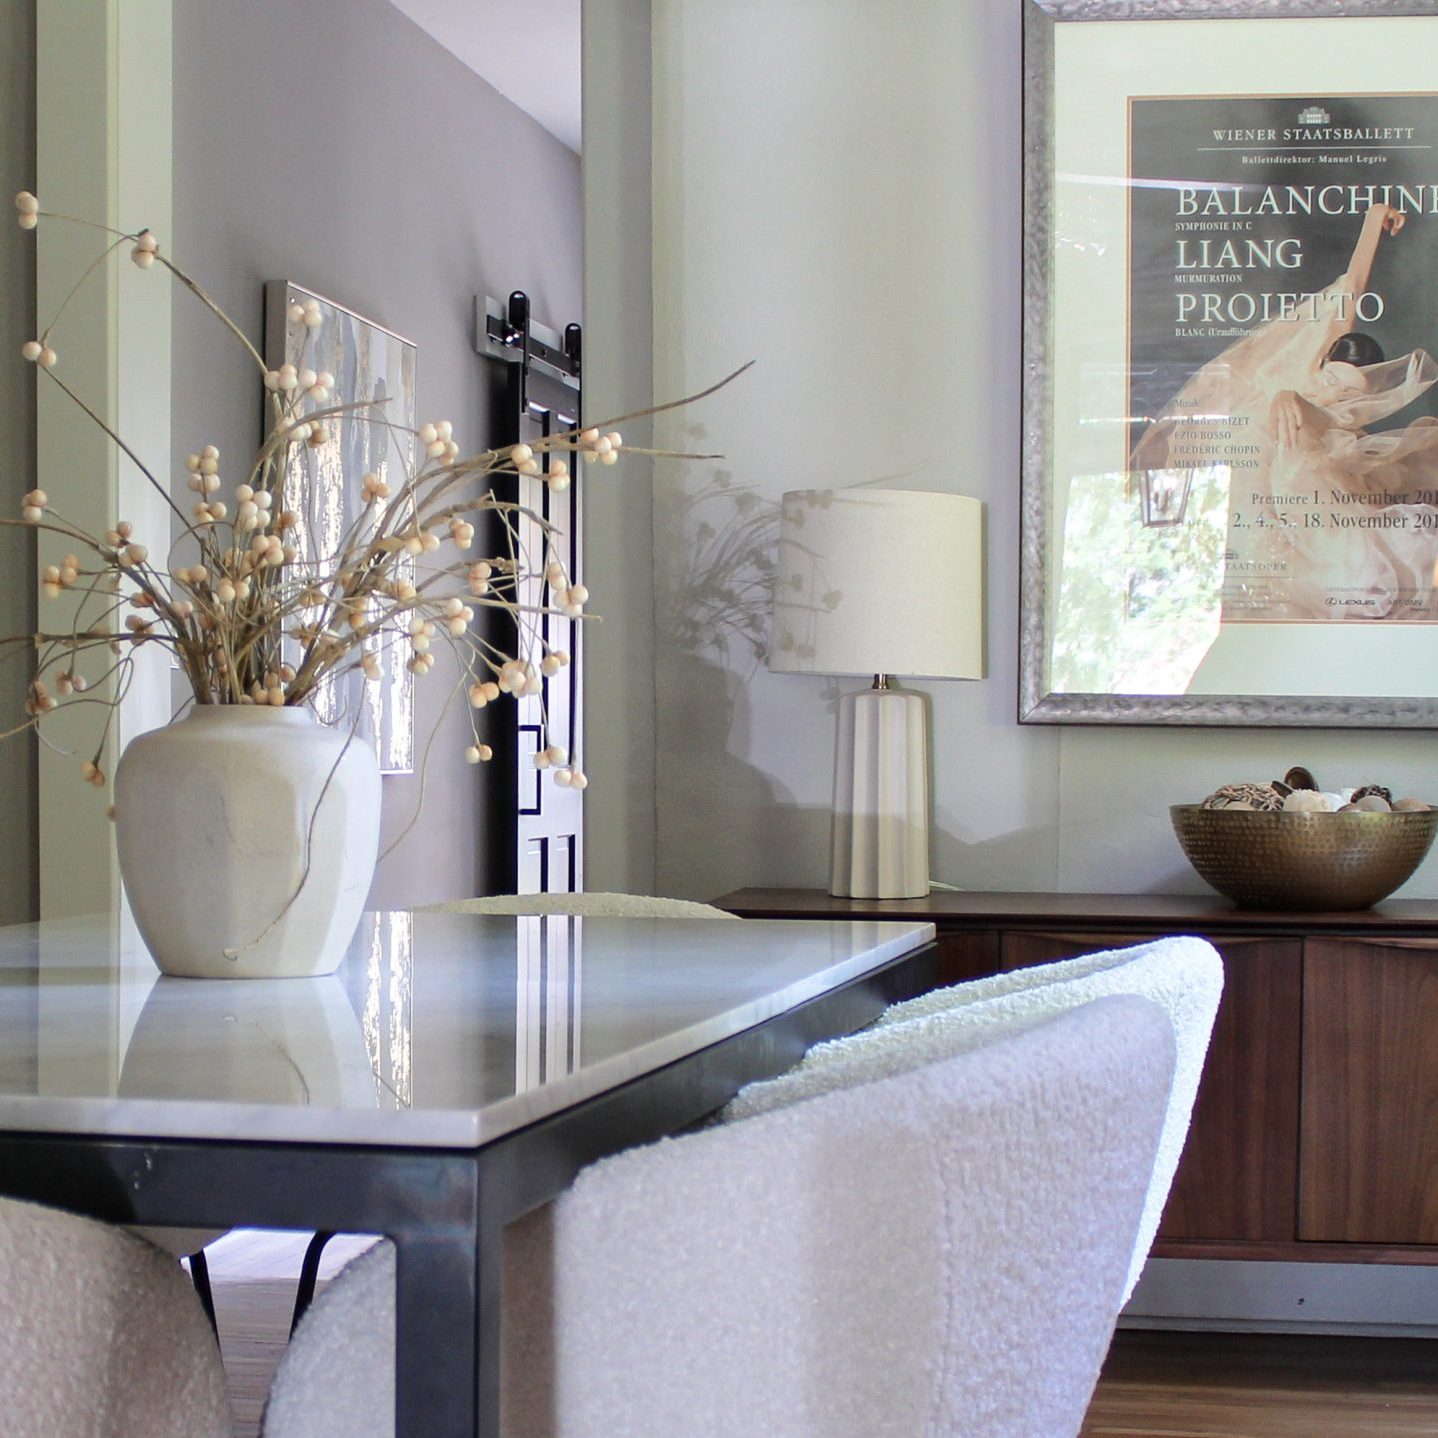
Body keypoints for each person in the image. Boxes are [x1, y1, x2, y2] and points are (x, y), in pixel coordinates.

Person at [1130, 202, 1438, 623]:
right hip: (1262, 468)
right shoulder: (1300, 372)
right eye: (1334, 380)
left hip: (1303, 482)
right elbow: (1352, 286)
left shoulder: (1346, 426)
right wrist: (1373, 220)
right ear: (1324, 360)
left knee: (1362, 559)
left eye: (1353, 393)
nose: (1340, 396)